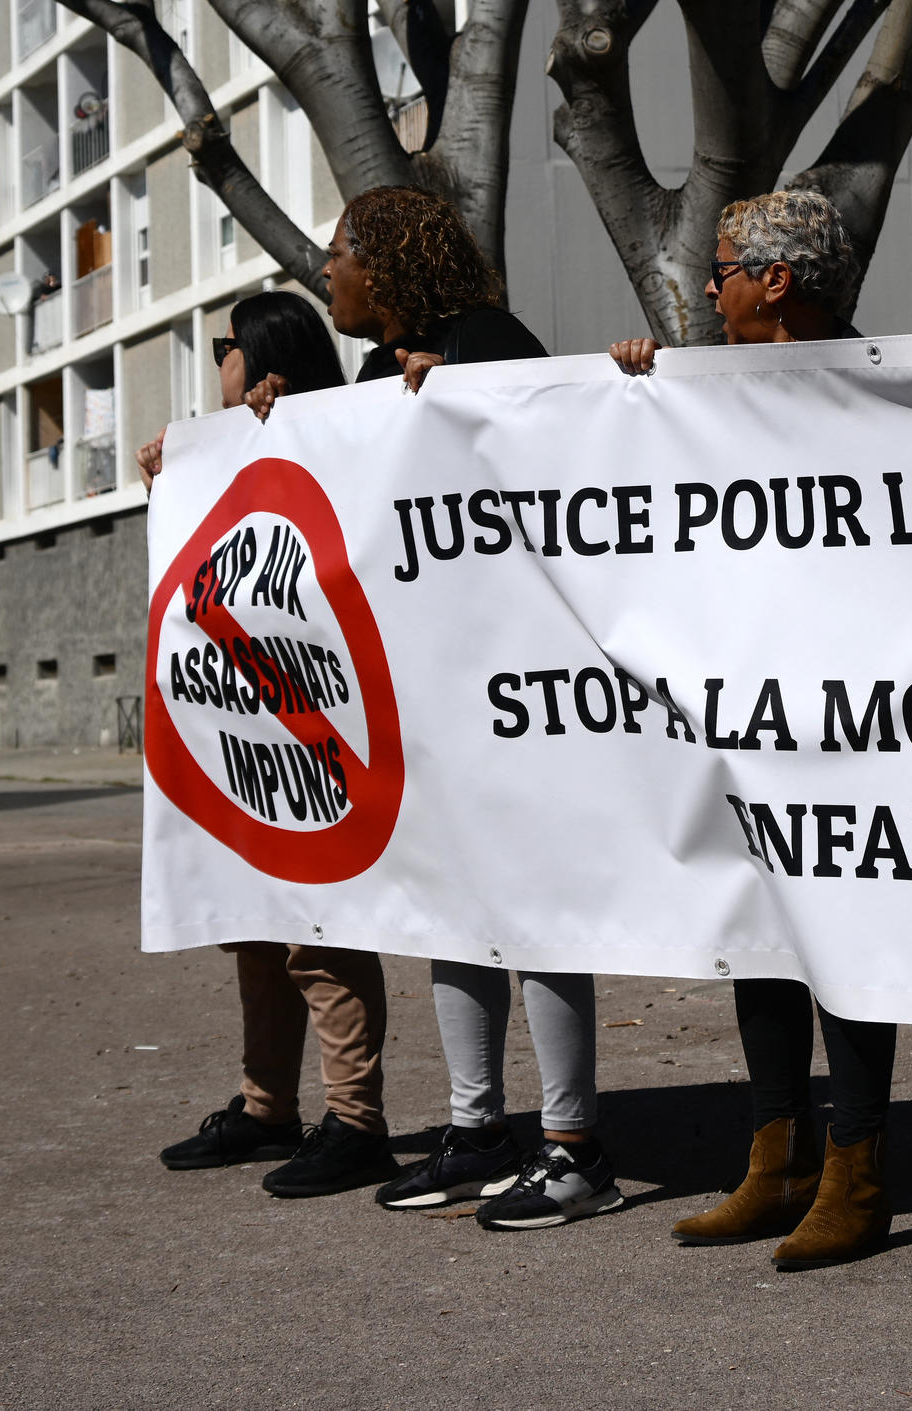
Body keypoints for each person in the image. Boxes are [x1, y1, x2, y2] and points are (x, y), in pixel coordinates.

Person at [316, 186, 626, 1232]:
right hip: (435, 692)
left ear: (387, 263)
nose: (326, 274)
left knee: (535, 907)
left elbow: (560, 463)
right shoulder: (366, 376)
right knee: (457, 906)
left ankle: (574, 1146)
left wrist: (463, 397)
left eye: (338, 255)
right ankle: (476, 1129)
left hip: (521, 687)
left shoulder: (491, 341)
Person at [609, 188, 902, 1271]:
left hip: (857, 716)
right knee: (762, 928)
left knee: (845, 938)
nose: (706, 286)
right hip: (751, 710)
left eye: (722, 267)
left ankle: (857, 1169)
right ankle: (771, 1158)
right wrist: (635, 397)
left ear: (777, 281)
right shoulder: (702, 392)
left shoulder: (889, 393)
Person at [143, 293, 399, 1200]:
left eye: (224, 346)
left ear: (259, 355)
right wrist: (172, 481)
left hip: (314, 726)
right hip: (246, 728)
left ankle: (356, 1121)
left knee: (317, 936)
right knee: (254, 925)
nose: (217, 362)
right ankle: (266, 1106)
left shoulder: (338, 432)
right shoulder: (233, 449)